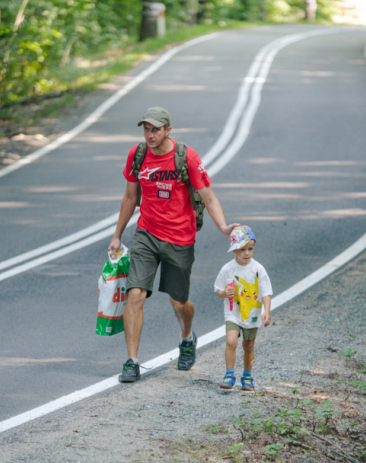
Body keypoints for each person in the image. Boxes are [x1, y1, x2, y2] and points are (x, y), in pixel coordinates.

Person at [108, 107, 239, 383]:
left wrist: (225, 228)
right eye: (146, 128)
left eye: (156, 129)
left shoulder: (186, 157)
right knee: (135, 294)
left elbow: (209, 197)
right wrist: (117, 235)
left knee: (179, 303)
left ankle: (187, 337)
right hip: (146, 233)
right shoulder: (137, 155)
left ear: (168, 129)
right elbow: (130, 197)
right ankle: (131, 361)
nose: (150, 134)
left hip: (179, 237)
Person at [214, 226, 272, 391]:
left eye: (250, 249)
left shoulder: (258, 269)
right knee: (231, 341)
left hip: (252, 314)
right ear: (234, 250)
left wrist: (266, 311)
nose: (247, 253)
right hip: (232, 313)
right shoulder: (227, 269)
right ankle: (229, 374)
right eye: (242, 249)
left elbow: (266, 292)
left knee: (248, 345)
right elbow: (218, 290)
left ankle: (247, 376)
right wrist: (224, 293)